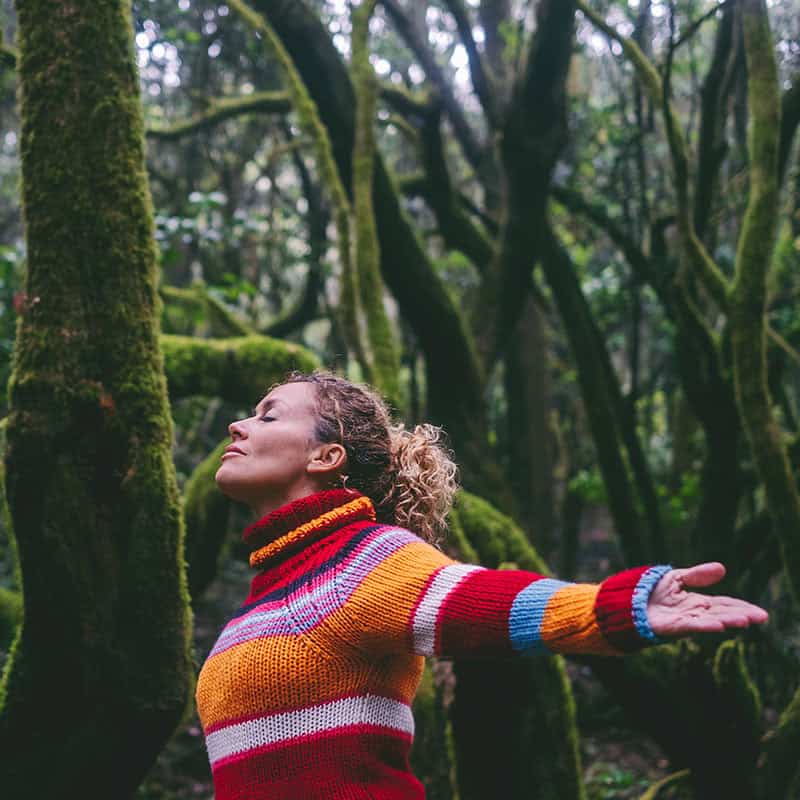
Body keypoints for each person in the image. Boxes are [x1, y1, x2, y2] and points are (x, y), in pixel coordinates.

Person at [195, 370, 768, 800]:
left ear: (327, 455)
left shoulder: (360, 561)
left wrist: (618, 605)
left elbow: (480, 600)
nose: (239, 424)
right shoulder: (261, 602)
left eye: (269, 416)